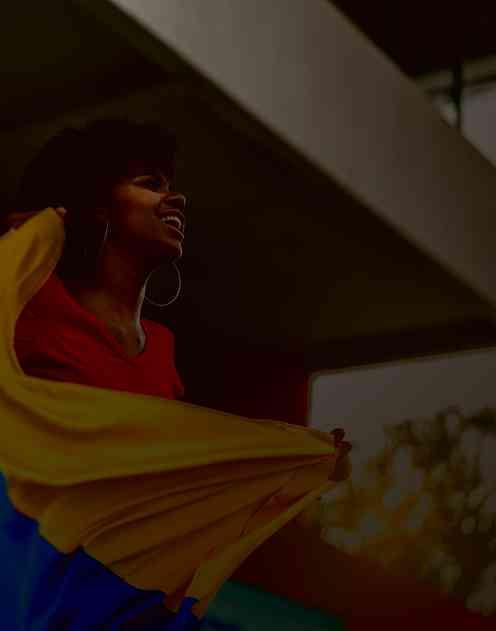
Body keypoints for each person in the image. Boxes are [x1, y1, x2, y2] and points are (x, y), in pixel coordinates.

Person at [1, 118, 352, 629]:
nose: (177, 198)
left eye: (170, 184)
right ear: (98, 204)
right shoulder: (35, 310)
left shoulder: (162, 353)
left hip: (110, 601)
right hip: (33, 581)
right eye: (150, 183)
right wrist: (34, 237)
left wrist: (289, 458)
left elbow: (164, 480)